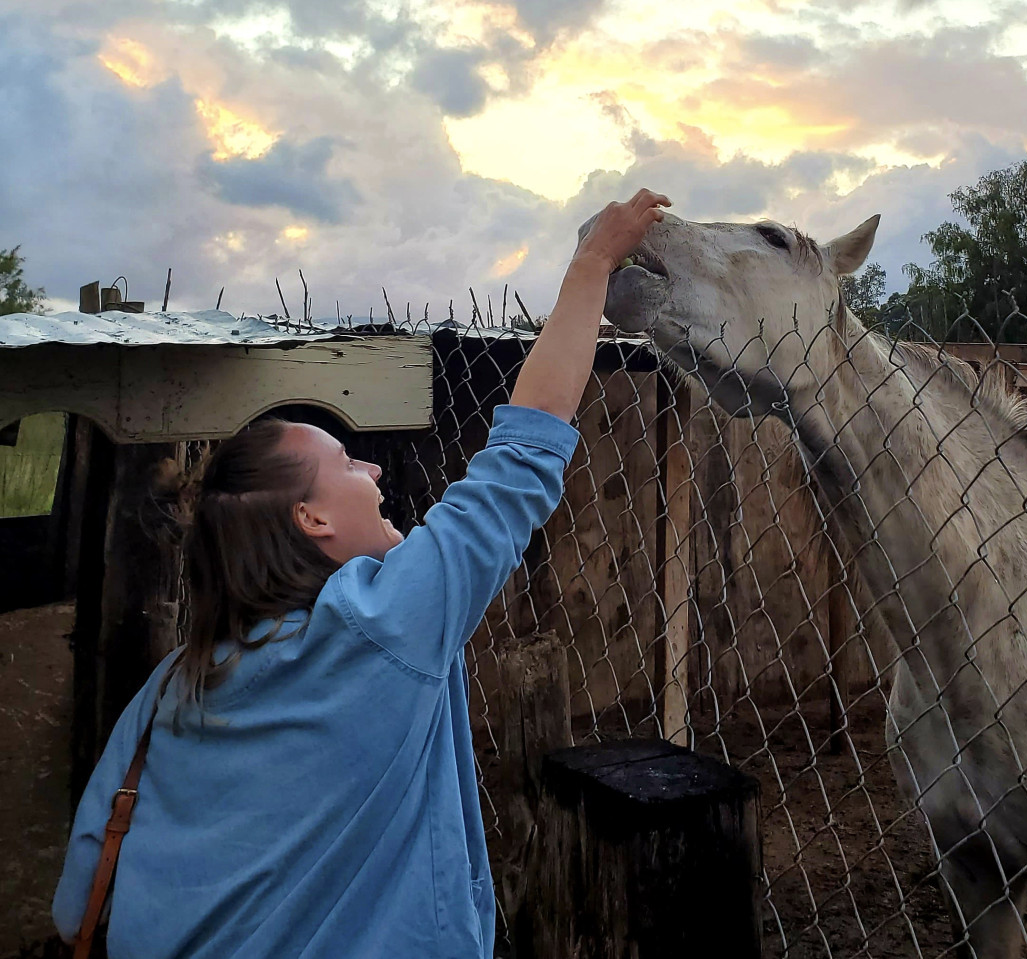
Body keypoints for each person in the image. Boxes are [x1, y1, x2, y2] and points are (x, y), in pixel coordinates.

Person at [52, 189, 672, 958]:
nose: (375, 466)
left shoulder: (172, 683)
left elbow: (81, 886)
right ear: (310, 519)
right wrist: (591, 264)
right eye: (347, 461)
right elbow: (521, 457)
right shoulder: (379, 626)